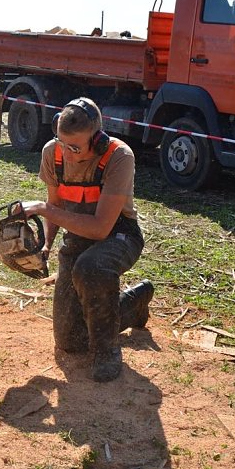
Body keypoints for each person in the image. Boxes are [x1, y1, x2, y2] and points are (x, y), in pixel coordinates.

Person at [21, 97, 154, 382]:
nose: (67, 154)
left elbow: (99, 229)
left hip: (120, 234)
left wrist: (45, 210)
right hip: (79, 236)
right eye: (62, 143)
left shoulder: (118, 156)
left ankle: (107, 351)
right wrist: (45, 245)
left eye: (75, 147)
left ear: (98, 140)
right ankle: (134, 304)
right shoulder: (52, 153)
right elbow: (55, 203)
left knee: (91, 268)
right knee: (70, 341)